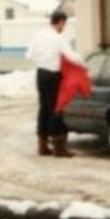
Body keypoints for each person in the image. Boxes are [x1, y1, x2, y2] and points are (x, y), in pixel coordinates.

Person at [26, 10, 85, 158]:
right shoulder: (58, 38)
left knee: (44, 108)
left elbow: (29, 55)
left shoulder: (38, 36)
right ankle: (59, 148)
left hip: (41, 74)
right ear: (60, 22)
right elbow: (71, 56)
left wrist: (43, 60)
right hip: (53, 75)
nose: (63, 27)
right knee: (56, 109)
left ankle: (42, 145)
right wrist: (84, 63)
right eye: (64, 24)